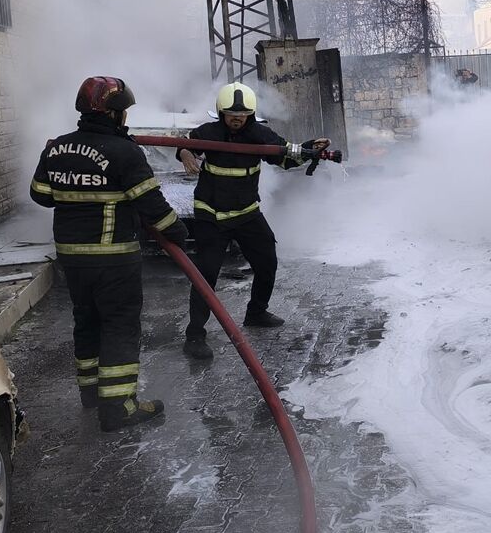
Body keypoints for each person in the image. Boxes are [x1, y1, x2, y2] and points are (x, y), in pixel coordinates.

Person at [30, 76, 190, 432]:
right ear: (115, 115)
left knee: (86, 321)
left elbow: (40, 194)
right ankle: (118, 406)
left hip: (72, 259)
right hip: (114, 258)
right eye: (125, 113)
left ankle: (91, 393)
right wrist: (178, 232)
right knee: (119, 326)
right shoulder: (125, 152)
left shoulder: (57, 148)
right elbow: (153, 206)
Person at [177, 81, 329, 360]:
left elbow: (286, 157)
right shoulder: (208, 132)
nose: (237, 118)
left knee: (267, 261)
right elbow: (185, 144)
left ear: (251, 113)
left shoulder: (261, 134)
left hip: (246, 212)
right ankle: (195, 335)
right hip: (210, 214)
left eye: (243, 113)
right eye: (232, 113)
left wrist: (309, 149)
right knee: (206, 275)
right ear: (221, 112)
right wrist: (186, 153)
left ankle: (256, 312)